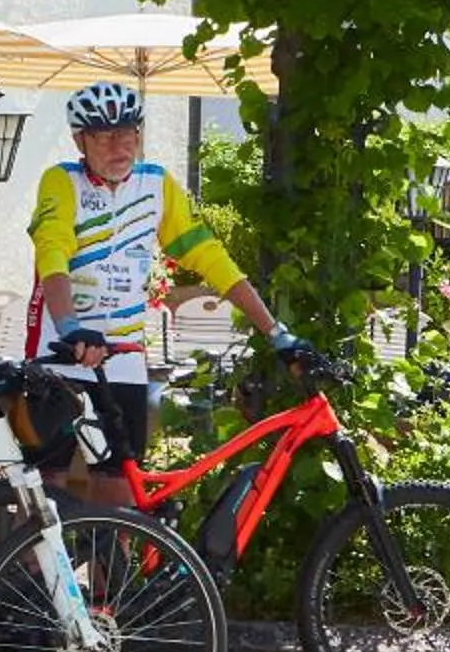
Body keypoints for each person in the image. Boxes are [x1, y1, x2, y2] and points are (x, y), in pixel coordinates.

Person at [26, 80, 286, 483]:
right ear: (80, 141)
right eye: (104, 135)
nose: (119, 146)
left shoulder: (156, 185)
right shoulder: (61, 182)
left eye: (128, 133)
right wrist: (70, 328)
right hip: (59, 354)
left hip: (123, 360)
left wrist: (275, 331)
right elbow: (52, 254)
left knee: (121, 494)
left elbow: (208, 257)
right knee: (48, 491)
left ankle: (109, 551)